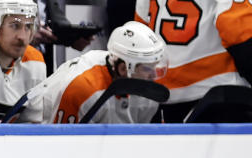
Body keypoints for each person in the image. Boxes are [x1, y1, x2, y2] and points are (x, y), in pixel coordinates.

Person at [26, 21, 168, 124]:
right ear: (123, 68)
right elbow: (63, 147)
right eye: (147, 68)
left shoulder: (145, 87)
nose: (154, 75)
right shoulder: (83, 88)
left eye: (155, 66)